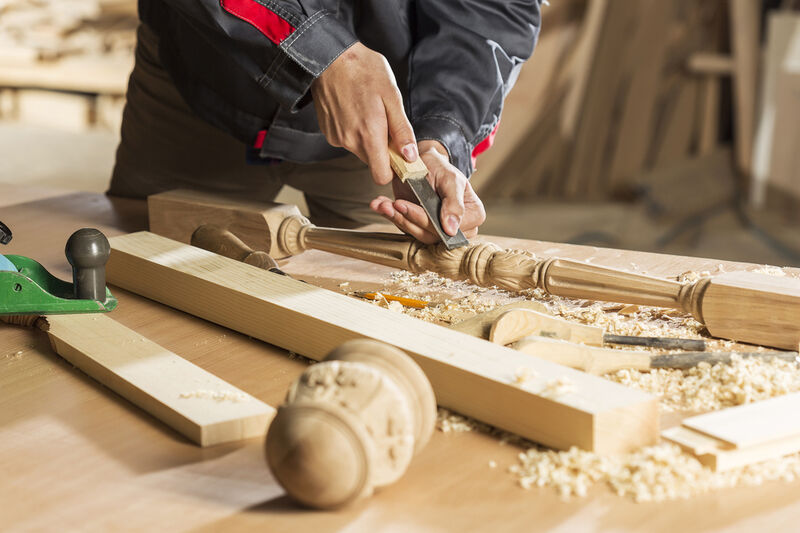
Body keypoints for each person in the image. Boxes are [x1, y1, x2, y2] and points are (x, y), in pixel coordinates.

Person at [108, 1, 542, 243]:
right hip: (209, 75)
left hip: (386, 122)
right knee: (143, 267)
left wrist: (440, 136)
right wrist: (322, 51)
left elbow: (495, 10)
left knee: (395, 308)